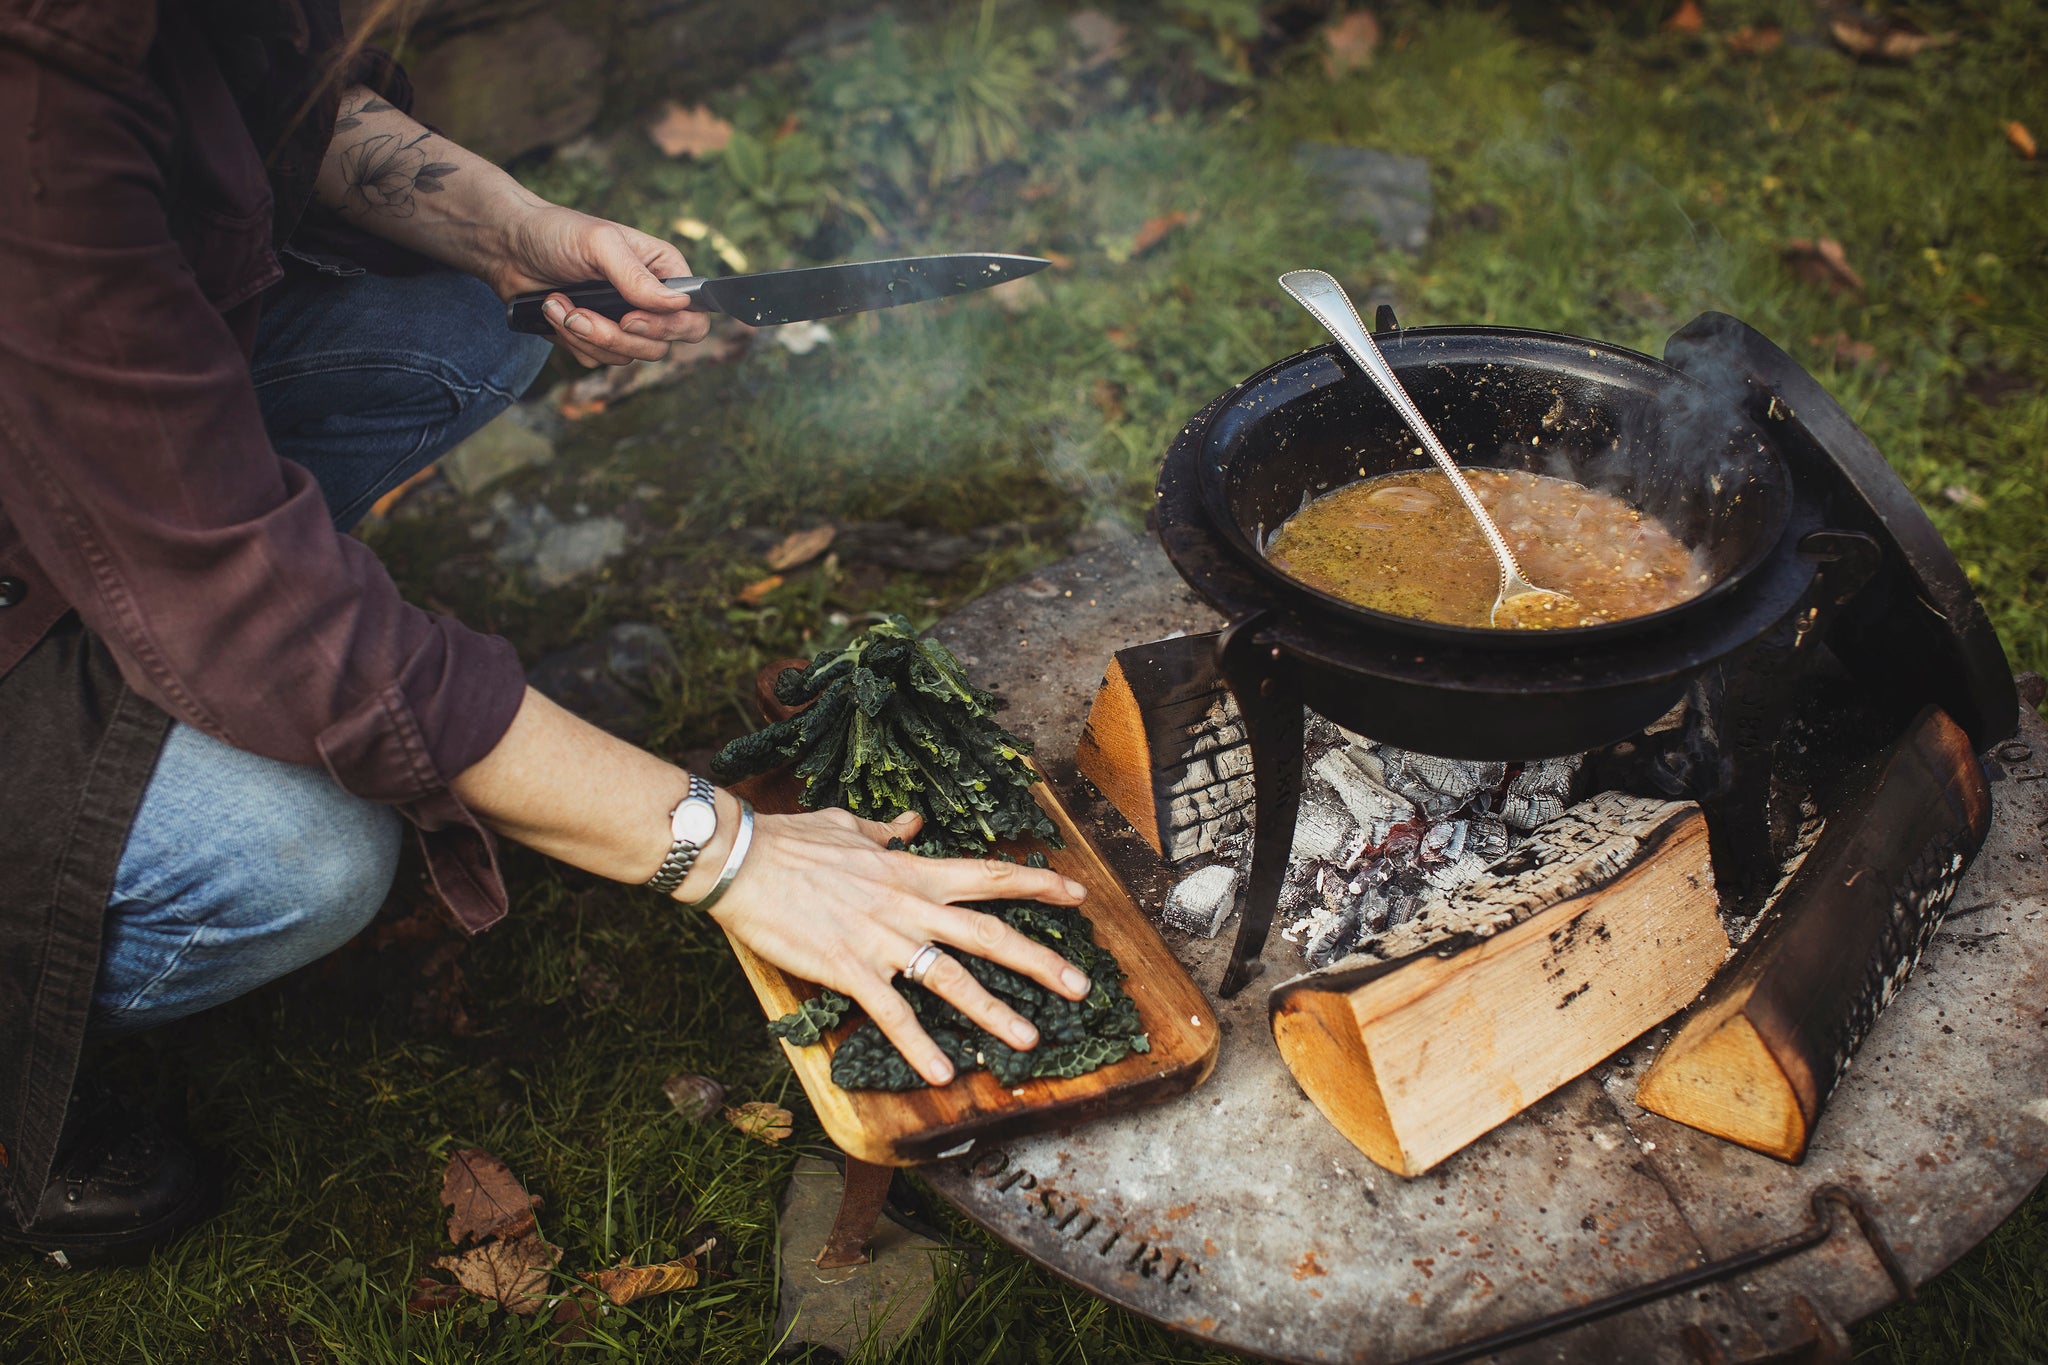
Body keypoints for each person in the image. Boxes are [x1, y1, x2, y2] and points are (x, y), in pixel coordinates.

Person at [0, 0, 1091, 1266]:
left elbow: (291, 103)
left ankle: (315, 701)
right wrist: (734, 854)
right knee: (299, 853)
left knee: (470, 312)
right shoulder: (33, 105)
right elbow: (251, 599)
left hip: (61, 467)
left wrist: (514, 235)